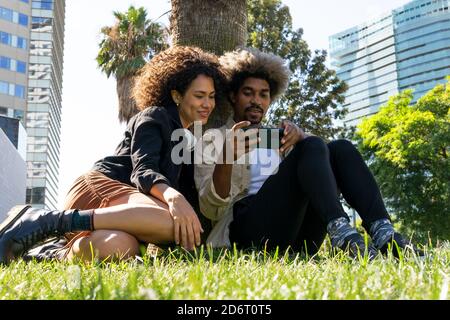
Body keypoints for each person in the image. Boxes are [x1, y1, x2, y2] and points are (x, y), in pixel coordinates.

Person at [0, 45, 226, 264]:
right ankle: (50, 221)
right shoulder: (155, 116)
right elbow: (144, 171)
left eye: (212, 96)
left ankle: (49, 253)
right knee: (170, 217)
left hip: (128, 214)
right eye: (199, 96)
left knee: (119, 247)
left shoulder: (187, 140)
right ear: (177, 96)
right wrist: (173, 197)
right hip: (99, 188)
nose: (208, 104)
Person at [194, 47, 422, 259]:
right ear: (234, 96)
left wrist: (301, 136)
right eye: (248, 93)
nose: (256, 101)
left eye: (263, 95)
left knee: (340, 148)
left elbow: (321, 159)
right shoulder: (214, 140)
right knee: (312, 144)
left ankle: (384, 233)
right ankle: (344, 233)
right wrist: (226, 158)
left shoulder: (281, 137)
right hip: (247, 234)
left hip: (299, 237)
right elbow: (211, 208)